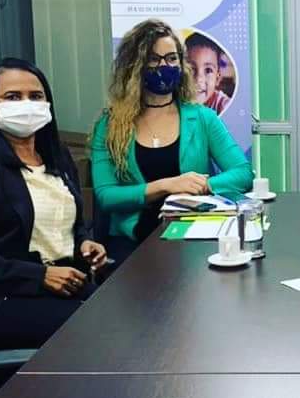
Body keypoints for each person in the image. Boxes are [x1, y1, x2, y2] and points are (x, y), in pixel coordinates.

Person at [0, 58, 107, 353]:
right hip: (1, 298)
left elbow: (70, 224)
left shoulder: (56, 155)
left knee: (128, 316)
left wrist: (84, 243)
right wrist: (40, 276)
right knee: (99, 332)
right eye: (12, 97)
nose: (26, 104)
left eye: (35, 96)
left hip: (66, 284)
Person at [91, 19, 253, 261]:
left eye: (171, 58)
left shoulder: (202, 118)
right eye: (153, 59)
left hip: (194, 239)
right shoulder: (110, 124)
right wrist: (166, 186)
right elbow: (106, 196)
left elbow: (243, 173)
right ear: (134, 65)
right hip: (133, 244)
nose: (164, 66)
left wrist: (203, 186)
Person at [185, 33, 232, 115]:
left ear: (217, 79)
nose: (199, 79)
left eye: (208, 70)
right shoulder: (173, 102)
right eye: (191, 69)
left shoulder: (224, 106)